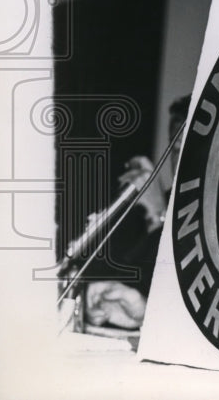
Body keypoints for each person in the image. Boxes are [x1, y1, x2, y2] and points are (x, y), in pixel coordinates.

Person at [83, 95, 190, 329]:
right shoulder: (162, 200)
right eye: (176, 145)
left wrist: (158, 215)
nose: (180, 157)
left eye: (191, 146)